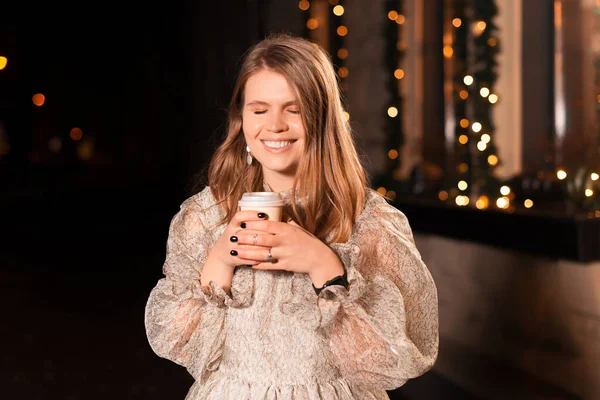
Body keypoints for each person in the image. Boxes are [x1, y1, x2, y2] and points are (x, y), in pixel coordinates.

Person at [144, 33, 438, 400]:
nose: (276, 124)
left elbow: (395, 359)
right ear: (241, 119)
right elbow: (176, 340)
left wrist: (325, 267)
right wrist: (220, 259)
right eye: (260, 108)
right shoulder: (205, 217)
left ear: (321, 119)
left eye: (294, 109)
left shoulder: (368, 221)